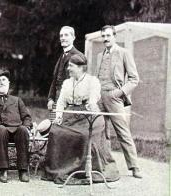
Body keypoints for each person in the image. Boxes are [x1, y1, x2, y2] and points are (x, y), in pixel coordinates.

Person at [42, 54, 120, 184]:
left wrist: (91, 104)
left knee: (84, 135)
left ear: (80, 67)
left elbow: (94, 97)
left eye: (71, 66)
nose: (68, 69)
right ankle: (59, 169)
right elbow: (61, 102)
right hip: (70, 115)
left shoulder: (92, 81)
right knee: (56, 131)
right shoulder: (67, 83)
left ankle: (83, 170)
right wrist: (59, 116)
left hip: (88, 115)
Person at [93, 25, 141, 178]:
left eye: (108, 35)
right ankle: (106, 165)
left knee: (123, 132)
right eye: (103, 36)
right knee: (101, 131)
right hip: (99, 97)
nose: (106, 38)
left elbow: (134, 79)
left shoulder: (124, 53)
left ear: (114, 36)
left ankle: (135, 167)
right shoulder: (99, 55)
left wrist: (118, 93)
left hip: (114, 97)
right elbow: (96, 77)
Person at [47, 26, 84, 110]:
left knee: (65, 122)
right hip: (57, 99)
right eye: (61, 36)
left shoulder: (79, 56)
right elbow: (55, 79)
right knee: (55, 122)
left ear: (73, 38)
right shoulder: (61, 56)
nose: (63, 38)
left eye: (66, 35)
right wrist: (51, 98)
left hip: (70, 102)